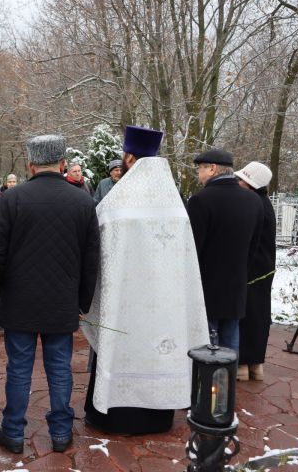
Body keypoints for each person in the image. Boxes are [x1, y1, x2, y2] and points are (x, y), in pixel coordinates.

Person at [81, 125, 210, 436]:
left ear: (128, 157)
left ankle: (112, 417)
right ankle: (158, 417)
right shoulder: (176, 204)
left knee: (119, 345)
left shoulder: (115, 203)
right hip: (166, 303)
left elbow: (96, 251)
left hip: (124, 302)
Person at [0, 136, 99, 454]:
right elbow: (92, 259)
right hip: (62, 301)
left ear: (31, 165)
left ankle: (12, 431)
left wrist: (5, 284)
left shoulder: (13, 198)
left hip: (20, 301)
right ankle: (62, 433)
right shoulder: (82, 202)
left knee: (19, 368)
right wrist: (82, 301)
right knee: (60, 367)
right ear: (63, 164)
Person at [188, 149, 263, 352]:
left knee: (207, 351)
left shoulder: (200, 201)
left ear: (212, 168)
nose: (198, 174)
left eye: (200, 169)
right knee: (230, 345)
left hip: (206, 289)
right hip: (236, 287)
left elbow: (192, 250)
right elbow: (253, 248)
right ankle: (227, 383)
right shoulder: (254, 201)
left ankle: (206, 384)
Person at [235, 162, 276, 381]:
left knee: (247, 314)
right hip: (265, 268)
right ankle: (255, 364)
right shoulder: (264, 203)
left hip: (252, 269)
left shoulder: (252, 204)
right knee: (259, 314)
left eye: (242, 180)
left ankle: (243, 364)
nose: (238, 183)